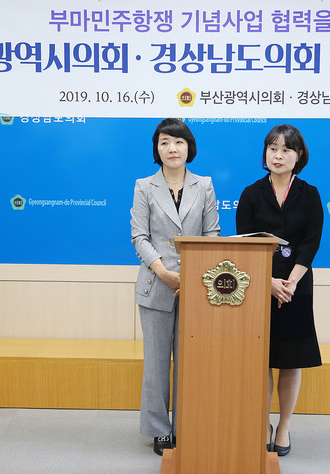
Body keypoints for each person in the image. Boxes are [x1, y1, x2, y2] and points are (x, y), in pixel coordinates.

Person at [130, 118, 221, 456]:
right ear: (157, 148)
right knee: (156, 365)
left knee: (189, 363)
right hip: (156, 285)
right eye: (165, 142)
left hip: (196, 287)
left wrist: (195, 276)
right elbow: (139, 236)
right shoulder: (144, 186)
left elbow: (212, 235)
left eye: (179, 142)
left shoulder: (204, 185)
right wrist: (164, 272)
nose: (172, 148)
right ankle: (159, 430)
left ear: (189, 147)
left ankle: (186, 425)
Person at [235, 124, 323, 457]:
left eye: (286, 150)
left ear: (298, 155)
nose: (278, 155)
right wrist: (267, 281)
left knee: (290, 360)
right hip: (260, 286)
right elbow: (245, 245)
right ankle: (263, 423)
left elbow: (310, 243)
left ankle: (284, 426)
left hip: (296, 286)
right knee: (262, 359)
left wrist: (292, 282)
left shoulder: (310, 194)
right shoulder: (251, 193)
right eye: (273, 148)